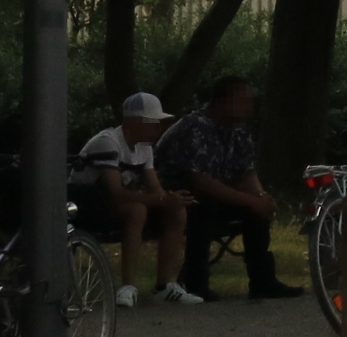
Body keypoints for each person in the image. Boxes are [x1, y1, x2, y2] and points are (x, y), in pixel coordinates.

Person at [156, 75, 305, 299]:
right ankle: (196, 282)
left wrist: (260, 196)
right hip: (177, 196)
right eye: (243, 101)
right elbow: (200, 181)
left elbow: (246, 172)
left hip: (217, 194)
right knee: (203, 205)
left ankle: (263, 281)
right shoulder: (196, 127)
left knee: (256, 210)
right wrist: (250, 200)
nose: (249, 107)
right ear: (221, 102)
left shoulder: (239, 130)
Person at [76, 93, 194, 307]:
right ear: (134, 122)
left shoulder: (144, 147)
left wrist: (170, 199)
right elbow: (115, 192)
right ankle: (127, 287)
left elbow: (155, 189)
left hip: (113, 206)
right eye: (154, 122)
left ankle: (164, 286)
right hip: (86, 205)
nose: (159, 128)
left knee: (176, 211)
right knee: (137, 210)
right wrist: (160, 200)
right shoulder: (107, 142)